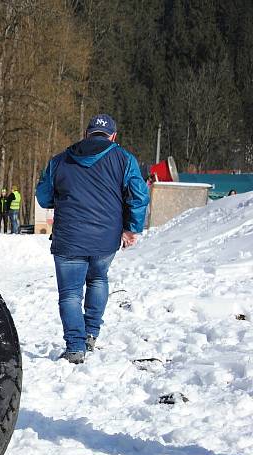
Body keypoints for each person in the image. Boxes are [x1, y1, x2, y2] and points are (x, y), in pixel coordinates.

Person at [35, 113, 149, 364]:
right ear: (113, 136)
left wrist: (62, 200)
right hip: (106, 239)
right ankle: (90, 334)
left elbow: (43, 197)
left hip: (69, 238)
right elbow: (139, 196)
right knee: (98, 278)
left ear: (86, 134)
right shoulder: (124, 159)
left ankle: (75, 347)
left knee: (70, 294)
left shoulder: (60, 160)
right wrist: (131, 228)